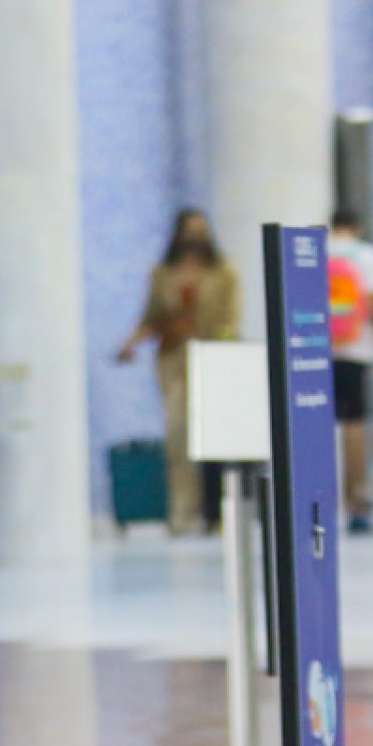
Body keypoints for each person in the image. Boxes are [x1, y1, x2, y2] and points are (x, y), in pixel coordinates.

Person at [116, 207, 242, 534]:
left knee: (216, 435)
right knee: (178, 434)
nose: (194, 238)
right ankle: (182, 512)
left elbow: (230, 319)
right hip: (173, 358)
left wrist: (216, 341)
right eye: (189, 231)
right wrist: (131, 343)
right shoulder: (162, 273)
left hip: (213, 358)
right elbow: (150, 317)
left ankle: (218, 514)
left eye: (200, 231)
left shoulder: (224, 272)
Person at [327, 206, 373, 532]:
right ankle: (356, 503)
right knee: (355, 427)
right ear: (357, 226)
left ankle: (322, 501)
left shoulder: (317, 254)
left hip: (320, 353)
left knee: (321, 429)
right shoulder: (368, 256)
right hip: (357, 349)